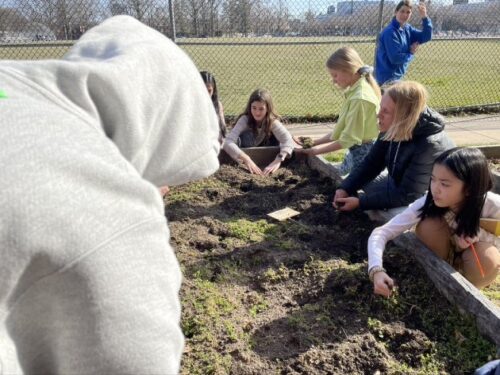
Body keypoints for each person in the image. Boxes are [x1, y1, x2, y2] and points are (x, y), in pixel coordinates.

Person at [0, 15, 220, 374]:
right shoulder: (108, 203)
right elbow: (134, 360)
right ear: (162, 131)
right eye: (166, 174)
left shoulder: (12, 84)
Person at [368, 147, 500, 297]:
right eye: (433, 179)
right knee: (429, 227)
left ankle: (468, 293)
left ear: (469, 188)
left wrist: (479, 236)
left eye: (444, 184)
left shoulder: (492, 206)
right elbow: (381, 232)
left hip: (473, 261)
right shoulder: (428, 201)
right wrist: (376, 270)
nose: (435, 189)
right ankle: (438, 279)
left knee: (488, 258)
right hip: (443, 254)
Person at [333, 81, 454, 212]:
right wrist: (344, 188)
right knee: (365, 183)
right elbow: (372, 163)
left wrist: (360, 203)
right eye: (380, 108)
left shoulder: (429, 145)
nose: (378, 115)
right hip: (400, 183)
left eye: (386, 111)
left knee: (397, 213)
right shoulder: (393, 127)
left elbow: (409, 195)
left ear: (404, 117)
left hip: (431, 196)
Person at [294, 47, 381, 175]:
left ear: (349, 69)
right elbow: (342, 130)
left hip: (365, 155)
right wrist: (312, 142)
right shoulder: (355, 91)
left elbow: (347, 139)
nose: (333, 80)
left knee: (349, 187)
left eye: (335, 75)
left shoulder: (360, 99)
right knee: (337, 176)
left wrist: (314, 152)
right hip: (356, 149)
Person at [223, 88, 294, 175]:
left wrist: (278, 160)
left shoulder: (272, 121)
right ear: (250, 107)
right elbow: (228, 141)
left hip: (266, 155)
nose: (257, 113)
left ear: (268, 108)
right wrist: (246, 159)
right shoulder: (245, 120)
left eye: (261, 109)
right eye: (254, 108)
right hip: (244, 152)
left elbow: (288, 140)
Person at [375, 0, 433, 86]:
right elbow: (395, 58)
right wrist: (411, 53)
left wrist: (424, 17)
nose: (405, 15)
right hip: (386, 80)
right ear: (395, 12)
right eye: (402, 11)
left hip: (397, 78)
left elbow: (426, 36)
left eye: (408, 12)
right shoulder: (390, 32)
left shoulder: (407, 29)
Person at [201, 70, 227, 140]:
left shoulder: (217, 105)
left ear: (213, 90)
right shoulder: (192, 105)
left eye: (209, 91)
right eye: (203, 90)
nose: (206, 94)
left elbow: (223, 129)